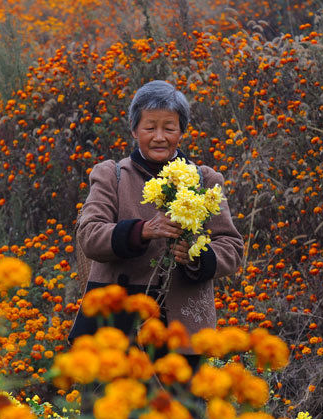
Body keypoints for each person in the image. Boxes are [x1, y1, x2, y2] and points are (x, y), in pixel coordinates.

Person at [68, 80, 243, 360]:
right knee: (110, 404)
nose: (159, 137)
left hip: (182, 332)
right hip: (114, 328)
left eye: (169, 127)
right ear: (135, 130)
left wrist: (196, 255)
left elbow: (231, 248)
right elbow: (89, 235)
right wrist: (142, 231)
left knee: (181, 405)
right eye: (150, 127)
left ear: (181, 132)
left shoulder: (205, 181)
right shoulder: (111, 176)